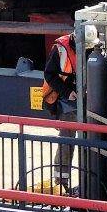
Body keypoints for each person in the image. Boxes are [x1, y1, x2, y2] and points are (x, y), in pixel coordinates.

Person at [41, 32, 78, 190]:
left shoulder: (94, 47)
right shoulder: (60, 49)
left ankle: (91, 179)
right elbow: (50, 75)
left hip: (89, 100)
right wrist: (67, 92)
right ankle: (61, 182)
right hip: (67, 100)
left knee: (92, 141)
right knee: (66, 141)